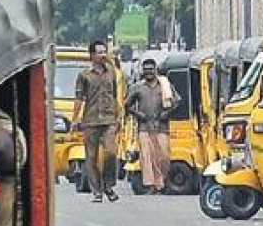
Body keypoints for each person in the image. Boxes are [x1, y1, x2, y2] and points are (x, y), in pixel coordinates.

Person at [72, 39, 120, 203]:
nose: (102, 55)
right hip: (90, 120)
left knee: (111, 153)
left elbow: (114, 95)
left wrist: (118, 116)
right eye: (99, 52)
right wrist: (74, 119)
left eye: (104, 51)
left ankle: (109, 185)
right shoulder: (84, 75)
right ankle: (97, 191)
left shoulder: (111, 71)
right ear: (92, 55)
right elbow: (79, 98)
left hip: (109, 119)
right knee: (90, 157)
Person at [125, 57, 181, 194]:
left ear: (156, 70)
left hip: (162, 126)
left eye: (151, 69)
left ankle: (161, 182)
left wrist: (167, 112)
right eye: (146, 70)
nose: (148, 72)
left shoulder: (165, 85)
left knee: (163, 157)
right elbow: (126, 105)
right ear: (142, 72)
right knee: (147, 156)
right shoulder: (137, 87)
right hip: (144, 126)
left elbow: (177, 101)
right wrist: (138, 114)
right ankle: (151, 185)